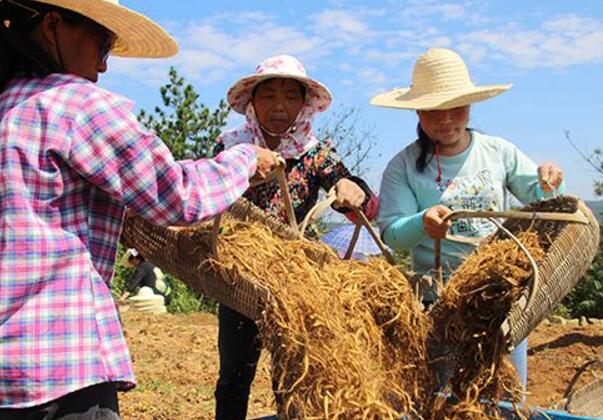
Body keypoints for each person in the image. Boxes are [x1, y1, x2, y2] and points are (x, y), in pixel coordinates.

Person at [0, 1, 279, 418]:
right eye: (102, 45)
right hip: (60, 367)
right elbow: (175, 194)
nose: (105, 65)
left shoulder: (8, 105)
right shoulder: (75, 104)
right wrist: (244, 161)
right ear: (54, 26)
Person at [372, 48, 564, 393]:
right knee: (443, 393)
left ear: (471, 105)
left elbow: (539, 198)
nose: (445, 119)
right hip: (438, 302)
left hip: (502, 296)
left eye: (455, 107)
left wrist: (548, 181)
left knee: (504, 394)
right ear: (417, 110)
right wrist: (422, 223)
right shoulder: (402, 167)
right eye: (434, 111)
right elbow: (393, 234)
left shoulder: (497, 152)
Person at [212, 54, 379, 420]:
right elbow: (206, 191)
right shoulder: (231, 148)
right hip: (236, 275)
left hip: (290, 280)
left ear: (304, 105)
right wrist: (243, 174)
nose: (279, 106)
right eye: (269, 95)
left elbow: (348, 185)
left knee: (291, 375)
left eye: (290, 97)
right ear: (252, 102)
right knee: (234, 376)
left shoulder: (315, 153)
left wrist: (352, 191)